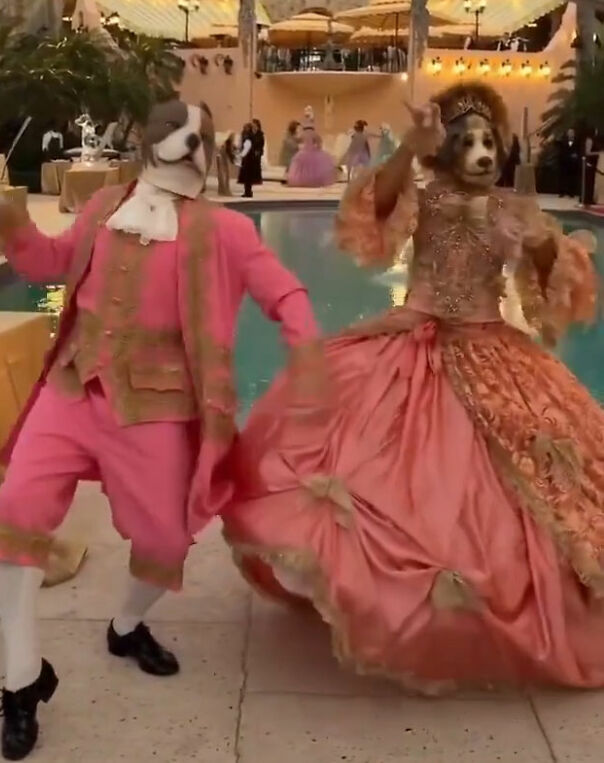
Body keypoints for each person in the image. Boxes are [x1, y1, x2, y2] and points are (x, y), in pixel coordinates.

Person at [223, 82, 604, 691]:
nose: (479, 151)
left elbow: (552, 291)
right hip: (417, 333)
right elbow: (374, 208)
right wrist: (408, 152)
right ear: (446, 149)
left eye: (487, 141)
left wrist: (538, 247)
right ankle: (374, 590)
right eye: (465, 142)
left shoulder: (513, 209)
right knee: (369, 461)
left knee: (518, 483)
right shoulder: (424, 197)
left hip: (490, 343)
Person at [0, 100, 319, 761]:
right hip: (73, 385)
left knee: (164, 538)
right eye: (175, 131)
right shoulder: (103, 206)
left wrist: (306, 346)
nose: (188, 141)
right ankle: (22, 678)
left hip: (158, 403)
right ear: (144, 139)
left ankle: (126, 627)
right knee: (16, 510)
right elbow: (46, 262)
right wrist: (8, 219)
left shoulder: (224, 230)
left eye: (199, 135)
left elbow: (284, 291)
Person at [287, 106, 338, 188]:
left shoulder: (303, 134)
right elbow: (319, 142)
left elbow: (298, 139)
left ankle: (303, 181)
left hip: (304, 152)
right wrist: (317, 149)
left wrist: (294, 138)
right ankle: (314, 181)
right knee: (315, 168)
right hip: (312, 151)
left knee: (301, 166)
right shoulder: (314, 134)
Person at [557, 128, 580, 198]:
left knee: (572, 178)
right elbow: (561, 151)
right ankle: (562, 192)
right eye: (569, 133)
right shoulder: (563, 141)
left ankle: (571, 193)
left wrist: (575, 155)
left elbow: (578, 150)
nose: (571, 134)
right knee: (563, 178)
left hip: (573, 163)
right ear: (567, 134)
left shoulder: (577, 142)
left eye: (572, 132)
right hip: (564, 162)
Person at [238, 122, 257, 198]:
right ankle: (248, 191)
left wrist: (241, 155)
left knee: (247, 177)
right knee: (248, 178)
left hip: (248, 159)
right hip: (250, 159)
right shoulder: (252, 136)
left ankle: (247, 192)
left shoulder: (247, 137)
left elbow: (246, 148)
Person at [251, 118, 265, 186]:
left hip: (257, 152)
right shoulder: (250, 133)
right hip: (251, 152)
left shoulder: (260, 134)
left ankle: (257, 180)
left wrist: (258, 151)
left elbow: (262, 143)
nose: (254, 127)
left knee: (257, 166)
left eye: (255, 125)